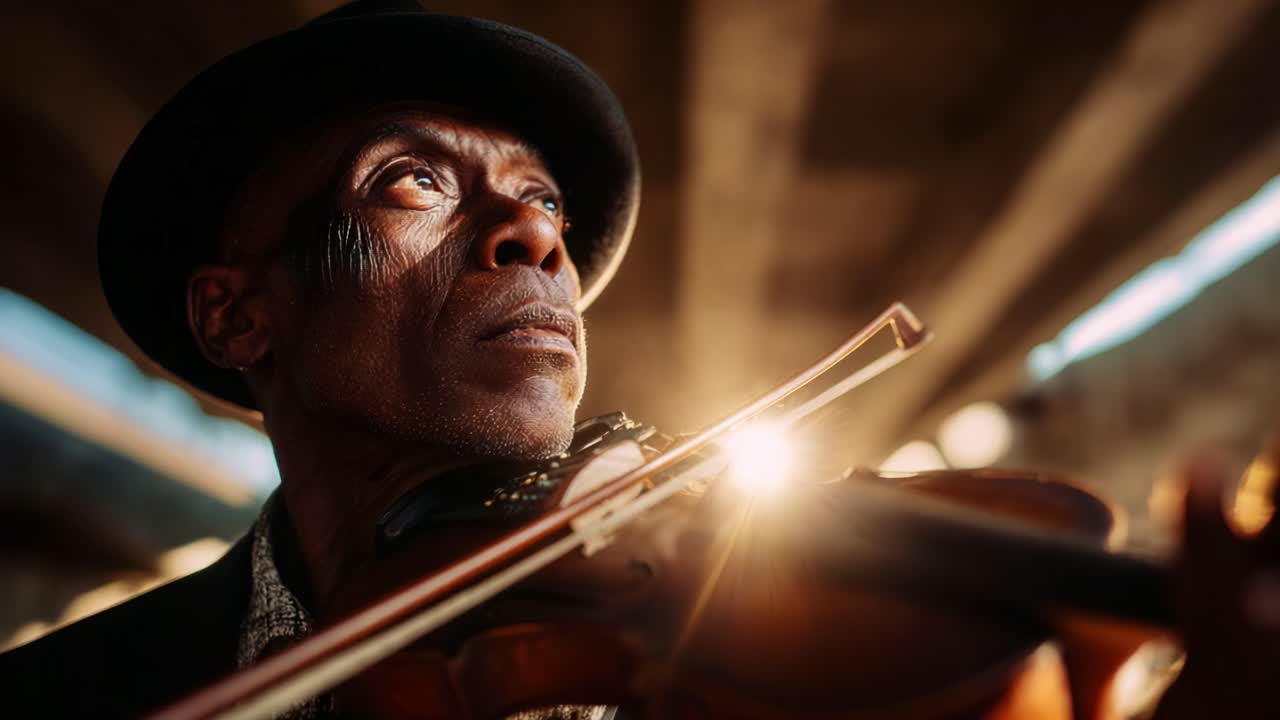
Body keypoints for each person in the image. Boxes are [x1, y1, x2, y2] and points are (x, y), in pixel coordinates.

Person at [1, 1, 1277, 718]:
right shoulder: (75, 704)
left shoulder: (716, 635)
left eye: (541, 202)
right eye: (407, 183)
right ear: (235, 317)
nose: (533, 234)